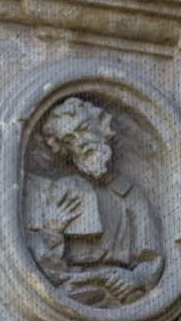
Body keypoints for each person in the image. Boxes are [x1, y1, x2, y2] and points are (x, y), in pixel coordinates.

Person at [25, 97, 163, 308]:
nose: (81, 143)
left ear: (101, 127)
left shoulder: (129, 193)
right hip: (76, 289)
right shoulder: (63, 191)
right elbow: (43, 264)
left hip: (122, 291)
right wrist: (53, 231)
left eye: (84, 130)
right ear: (66, 151)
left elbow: (150, 258)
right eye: (70, 140)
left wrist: (137, 278)